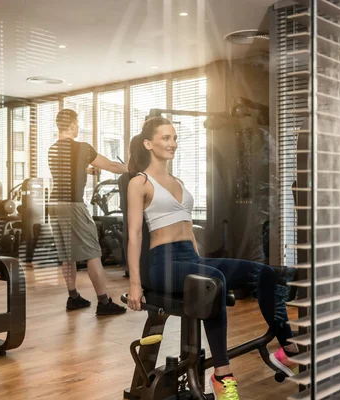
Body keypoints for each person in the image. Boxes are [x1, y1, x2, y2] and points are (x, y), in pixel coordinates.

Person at [125, 117, 298, 400]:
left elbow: (188, 227)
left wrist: (198, 259)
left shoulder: (178, 180)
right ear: (148, 143)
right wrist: (135, 283)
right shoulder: (140, 182)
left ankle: (289, 349)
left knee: (264, 273)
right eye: (165, 138)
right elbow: (134, 235)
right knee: (213, 281)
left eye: (174, 137)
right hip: (163, 264)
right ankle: (222, 374)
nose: (172, 143)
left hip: (189, 258)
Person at [48, 109, 128, 316]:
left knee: (68, 255)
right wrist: (134, 167)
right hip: (73, 205)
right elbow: (112, 166)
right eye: (77, 123)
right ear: (73, 125)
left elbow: (67, 172)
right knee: (93, 252)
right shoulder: (82, 147)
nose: (78, 127)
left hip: (55, 205)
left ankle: (73, 297)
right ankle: (104, 302)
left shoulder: (53, 149)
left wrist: (87, 170)